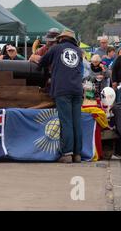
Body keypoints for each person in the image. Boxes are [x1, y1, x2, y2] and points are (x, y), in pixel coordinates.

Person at [37, 30, 83, 164]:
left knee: (66, 122)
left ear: (61, 39)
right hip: (77, 89)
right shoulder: (79, 51)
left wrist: (35, 57)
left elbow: (42, 63)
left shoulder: (56, 48)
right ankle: (77, 154)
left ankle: (67, 154)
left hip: (63, 89)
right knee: (76, 122)